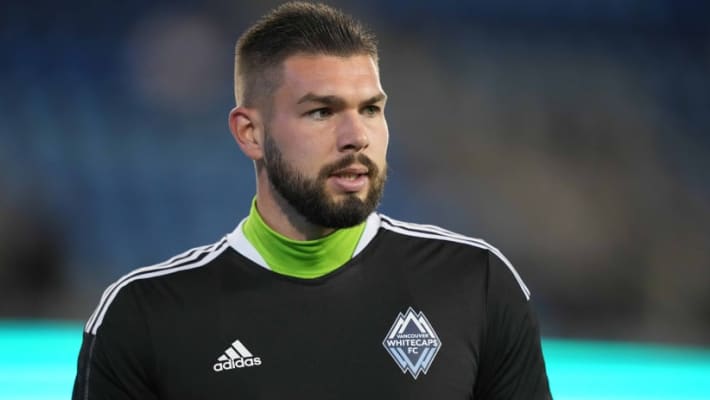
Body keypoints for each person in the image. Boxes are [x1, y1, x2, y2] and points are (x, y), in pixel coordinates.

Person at [72, 2, 551, 399]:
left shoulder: (477, 284)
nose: (356, 136)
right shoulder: (144, 316)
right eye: (321, 112)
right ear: (250, 132)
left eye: (371, 109)